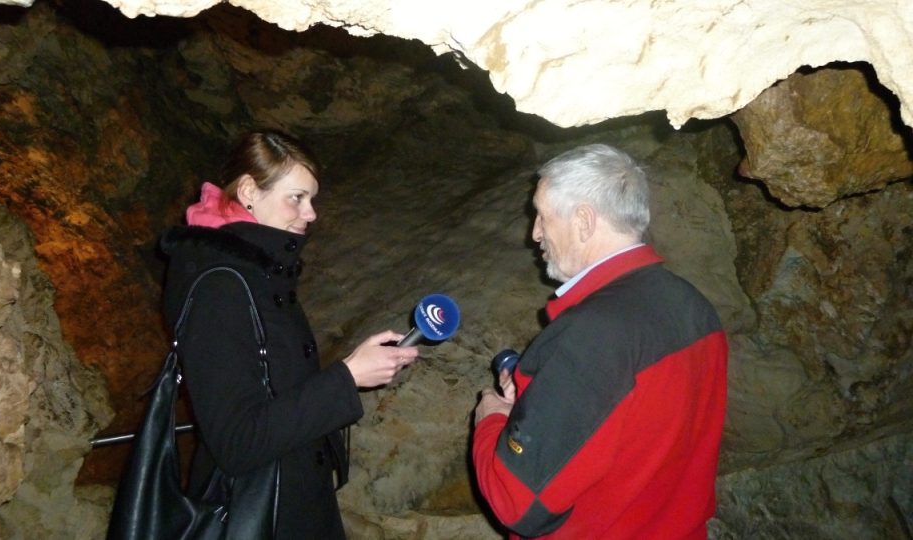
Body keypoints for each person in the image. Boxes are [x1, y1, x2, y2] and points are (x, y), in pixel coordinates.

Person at [159, 130, 419, 538]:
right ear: (248, 191)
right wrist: (347, 377)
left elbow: (276, 388)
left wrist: (359, 368)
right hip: (262, 514)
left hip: (290, 498)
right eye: (297, 197)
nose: (311, 213)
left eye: (311, 199)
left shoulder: (258, 272)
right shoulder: (220, 286)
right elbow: (237, 441)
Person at [471, 144, 728, 539]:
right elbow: (631, 423)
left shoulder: (591, 336)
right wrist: (540, 396)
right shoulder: (694, 307)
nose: (534, 233)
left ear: (584, 221)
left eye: (542, 215)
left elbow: (517, 502)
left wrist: (491, 419)